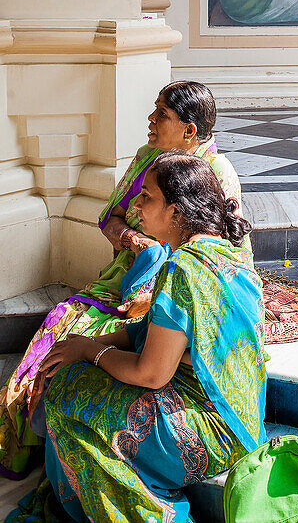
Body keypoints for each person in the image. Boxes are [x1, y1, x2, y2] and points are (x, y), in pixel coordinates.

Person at [0, 81, 245, 479]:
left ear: (189, 131)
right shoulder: (148, 157)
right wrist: (134, 242)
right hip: (124, 279)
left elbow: (154, 370)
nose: (150, 119)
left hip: (156, 301)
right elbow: (110, 217)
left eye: (161, 114)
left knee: (72, 380)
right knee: (56, 342)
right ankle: (40, 449)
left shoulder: (191, 264)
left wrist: (94, 351)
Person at [7, 152, 266, 523]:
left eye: (147, 197)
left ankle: (142, 511)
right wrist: (92, 342)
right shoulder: (227, 254)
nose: (137, 206)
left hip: (209, 430)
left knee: (66, 391)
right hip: (242, 420)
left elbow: (151, 375)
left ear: (176, 213)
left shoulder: (183, 268)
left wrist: (89, 353)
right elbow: (147, 332)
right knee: (69, 378)